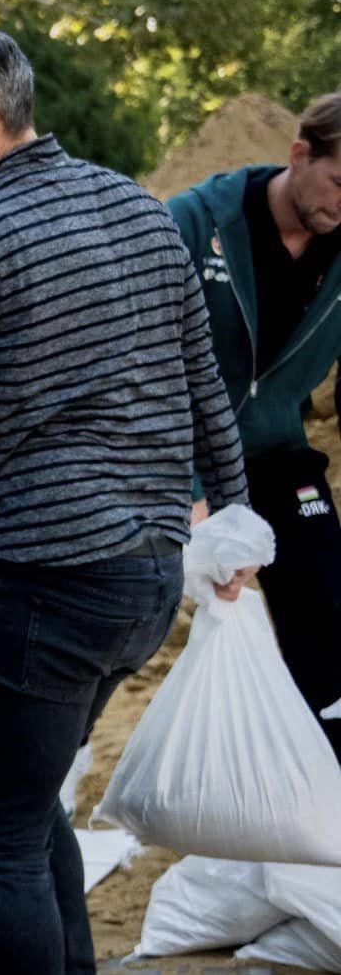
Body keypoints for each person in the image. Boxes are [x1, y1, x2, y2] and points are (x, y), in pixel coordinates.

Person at [0, 27, 256, 974]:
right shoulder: (138, 207)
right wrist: (232, 527)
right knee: (32, 811)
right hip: (150, 583)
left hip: (45, 590)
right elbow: (207, 384)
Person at [171, 91, 341, 762]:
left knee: (329, 607)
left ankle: (323, 791)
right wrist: (189, 496)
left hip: (276, 450)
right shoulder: (195, 220)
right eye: (338, 183)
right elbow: (141, 365)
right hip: (174, 453)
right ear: (299, 155)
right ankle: (63, 771)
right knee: (128, 618)